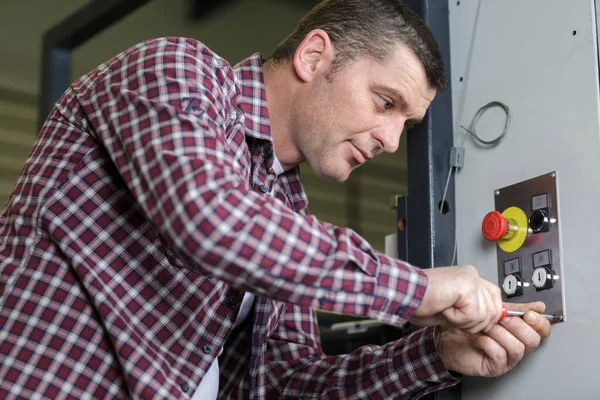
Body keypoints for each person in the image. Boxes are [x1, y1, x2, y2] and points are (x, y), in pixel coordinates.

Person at [0, 0, 550, 398]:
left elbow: (283, 384)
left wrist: (435, 355)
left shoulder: (287, 215)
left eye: (405, 126)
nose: (388, 141)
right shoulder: (177, 72)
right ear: (313, 57)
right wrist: (417, 288)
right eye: (385, 102)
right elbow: (211, 221)